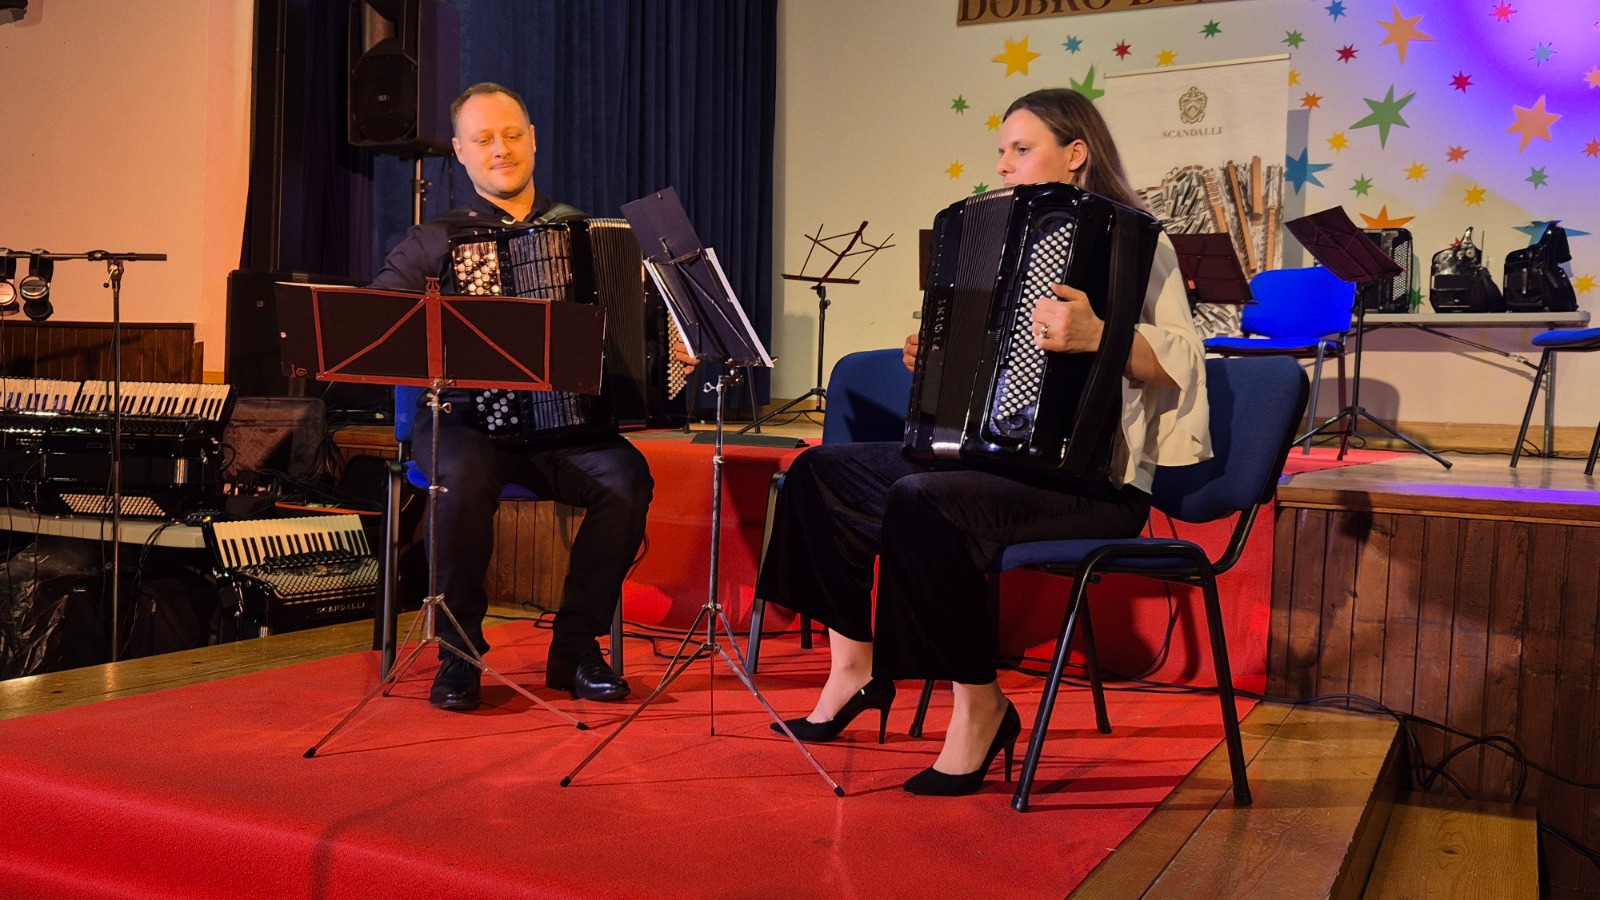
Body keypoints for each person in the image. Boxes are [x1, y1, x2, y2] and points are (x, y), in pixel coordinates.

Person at [754, 88, 1211, 796]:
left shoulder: (1135, 241)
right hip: (996, 459)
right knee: (818, 473)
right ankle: (853, 670)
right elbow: (988, 361)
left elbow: (1186, 356)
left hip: (1092, 481)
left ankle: (981, 706)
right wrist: (934, 357)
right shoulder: (999, 242)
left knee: (925, 503)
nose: (1003, 165)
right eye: (1002, 151)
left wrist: (1103, 336)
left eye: (1021, 149)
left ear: (1076, 153)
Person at [370, 83, 653, 710]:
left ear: (533, 140)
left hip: (566, 428)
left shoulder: (582, 233)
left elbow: (636, 330)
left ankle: (575, 649)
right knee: (461, 482)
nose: (501, 149)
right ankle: (459, 653)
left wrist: (669, 350)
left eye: (512, 134)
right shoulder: (434, 240)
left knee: (627, 480)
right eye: (484, 139)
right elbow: (376, 326)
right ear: (460, 152)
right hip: (466, 421)